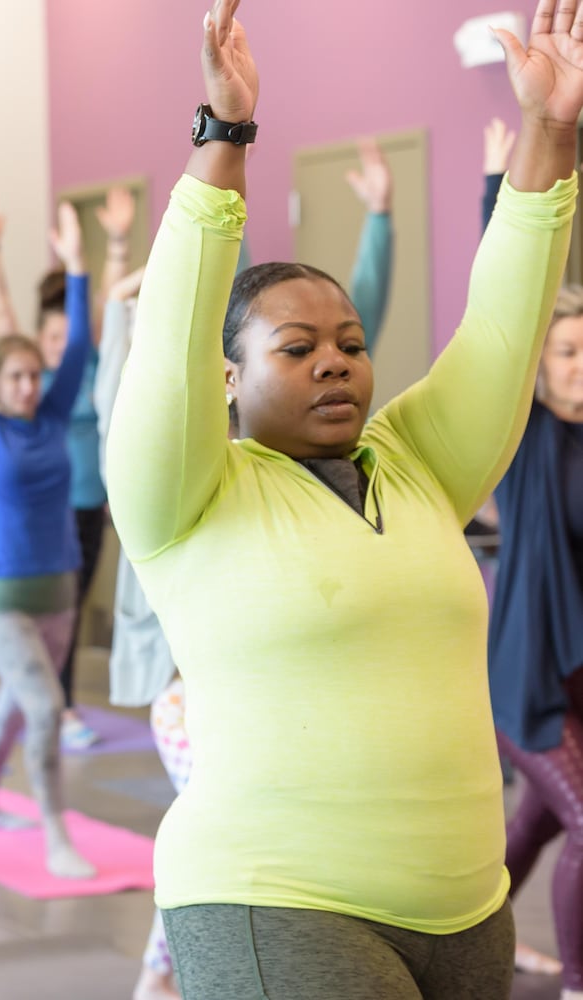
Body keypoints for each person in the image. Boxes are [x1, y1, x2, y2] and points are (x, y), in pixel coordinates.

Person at [106, 1, 581, 996]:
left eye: (350, 346)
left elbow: (503, 324)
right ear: (225, 377)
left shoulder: (414, 462)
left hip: (464, 909)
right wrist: (225, 138)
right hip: (274, 900)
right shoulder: (186, 496)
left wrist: (549, 130)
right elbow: (171, 336)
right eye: (296, 349)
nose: (334, 365)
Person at [0, 200, 95, 879]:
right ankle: (57, 831)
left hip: (60, 591)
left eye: (37, 375)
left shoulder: (55, 416)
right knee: (43, 704)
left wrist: (78, 263)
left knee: (12, 704)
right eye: (18, 377)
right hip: (2, 601)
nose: (32, 386)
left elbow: (82, 344)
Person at [0, 190, 132, 751]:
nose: (60, 343)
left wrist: (109, 244)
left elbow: (107, 302)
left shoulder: (84, 364)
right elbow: (0, 316)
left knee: (70, 608)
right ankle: (56, 707)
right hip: (48, 512)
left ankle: (48, 700)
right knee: (51, 613)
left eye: (67, 336)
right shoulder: (35, 383)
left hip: (93, 505)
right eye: (52, 338)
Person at [483, 123, 583, 999]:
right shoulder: (528, 438)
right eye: (567, 349)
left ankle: (468, 943)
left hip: (581, 678)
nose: (582, 365)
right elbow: (504, 318)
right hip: (526, 676)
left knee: (541, 823)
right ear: (540, 367)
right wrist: (497, 188)